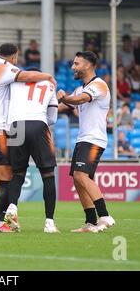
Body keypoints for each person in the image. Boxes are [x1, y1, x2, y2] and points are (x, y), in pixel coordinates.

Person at [0, 43, 55, 233]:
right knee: (6, 176)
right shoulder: (3, 69)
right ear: (14, 57)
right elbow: (29, 76)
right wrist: (48, 77)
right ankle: (0, 221)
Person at [57, 51, 115, 233]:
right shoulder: (80, 88)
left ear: (88, 65)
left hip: (94, 139)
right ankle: (91, 222)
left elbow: (79, 99)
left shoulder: (99, 85)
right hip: (83, 139)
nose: (73, 67)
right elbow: (62, 106)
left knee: (81, 176)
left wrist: (64, 97)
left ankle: (105, 216)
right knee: (78, 178)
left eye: (76, 64)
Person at [0, 61, 60, 233]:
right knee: (48, 175)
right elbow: (53, 118)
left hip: (15, 126)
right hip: (38, 125)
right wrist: (38, 124)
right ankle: (49, 222)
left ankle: (12, 207)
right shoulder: (49, 85)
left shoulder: (14, 82)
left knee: (17, 173)